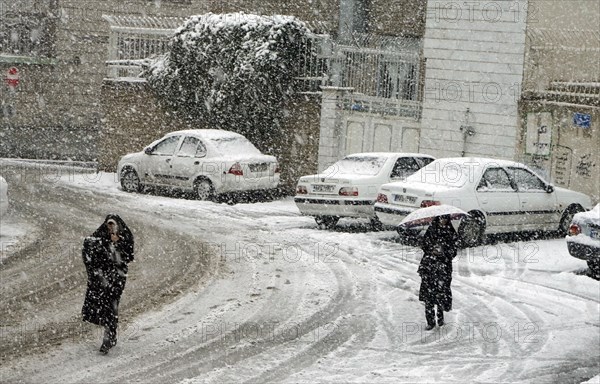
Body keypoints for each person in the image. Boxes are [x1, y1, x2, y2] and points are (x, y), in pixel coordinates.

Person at [81, 214, 134, 354]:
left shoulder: (125, 237)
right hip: (102, 279)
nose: (110, 227)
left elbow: (129, 256)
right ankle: (110, 332)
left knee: (112, 305)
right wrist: (105, 243)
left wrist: (119, 242)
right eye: (109, 224)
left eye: (113, 224)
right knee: (103, 305)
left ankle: (109, 337)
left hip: (117, 278)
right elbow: (89, 249)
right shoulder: (99, 237)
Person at [417, 214, 458, 331]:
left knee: (441, 293)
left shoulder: (451, 232)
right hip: (429, 266)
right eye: (441, 218)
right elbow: (424, 244)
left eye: (445, 219)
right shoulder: (431, 229)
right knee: (428, 296)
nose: (443, 221)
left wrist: (444, 251)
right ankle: (430, 321)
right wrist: (432, 250)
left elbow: (454, 250)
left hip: (443, 267)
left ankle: (440, 318)